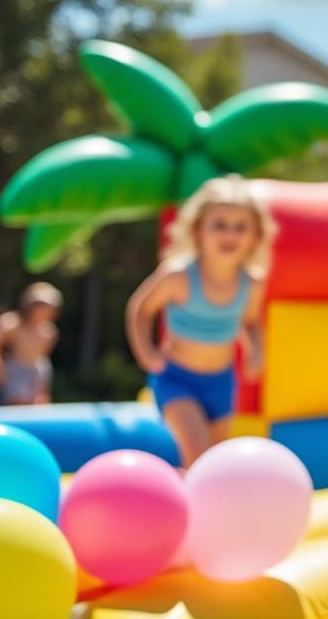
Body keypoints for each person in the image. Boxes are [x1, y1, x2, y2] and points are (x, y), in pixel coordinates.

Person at [125, 175, 274, 468]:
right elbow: (140, 310)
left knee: (215, 463)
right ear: (198, 230)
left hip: (221, 382)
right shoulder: (179, 276)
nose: (230, 234)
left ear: (255, 235)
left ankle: (193, 501)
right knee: (199, 455)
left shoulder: (251, 284)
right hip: (177, 379)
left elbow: (251, 321)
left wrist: (257, 350)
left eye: (240, 227)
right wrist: (146, 353)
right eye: (219, 225)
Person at [0, 286, 61, 405]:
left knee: (40, 405)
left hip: (37, 372)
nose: (44, 312)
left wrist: (41, 386)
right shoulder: (12, 323)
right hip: (14, 371)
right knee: (17, 403)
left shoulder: (49, 332)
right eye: (40, 307)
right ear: (29, 306)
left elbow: (42, 360)